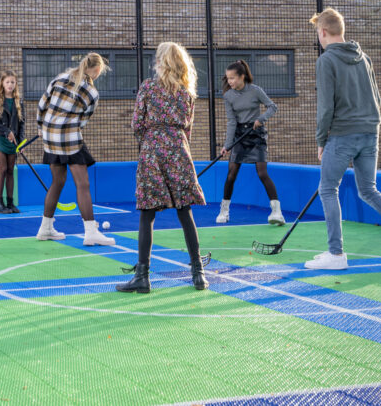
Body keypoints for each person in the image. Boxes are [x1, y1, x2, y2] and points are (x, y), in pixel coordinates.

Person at [307, 7, 381, 270]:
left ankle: (336, 254)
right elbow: (377, 98)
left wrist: (321, 140)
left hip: (342, 133)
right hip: (370, 132)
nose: (318, 37)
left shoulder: (326, 60)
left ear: (323, 32)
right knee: (369, 190)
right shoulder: (364, 58)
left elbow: (326, 106)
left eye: (318, 32)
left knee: (327, 189)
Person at [117, 42, 208, 293]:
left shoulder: (148, 87)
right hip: (179, 149)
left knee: (147, 213)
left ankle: (143, 276)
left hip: (153, 149)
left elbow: (137, 124)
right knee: (184, 210)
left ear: (161, 62)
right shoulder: (187, 93)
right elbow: (187, 127)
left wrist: (151, 137)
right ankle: (198, 273)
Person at [35, 52, 114, 246]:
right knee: (83, 184)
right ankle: (90, 231)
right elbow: (82, 122)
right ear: (96, 71)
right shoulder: (92, 93)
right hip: (69, 138)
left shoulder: (59, 78)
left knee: (58, 181)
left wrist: (42, 128)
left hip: (49, 136)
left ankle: (45, 229)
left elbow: (42, 105)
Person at [216, 60, 284, 226]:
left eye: (233, 78)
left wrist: (261, 119)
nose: (230, 81)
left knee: (262, 173)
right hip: (240, 135)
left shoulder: (255, 91)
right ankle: (224, 211)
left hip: (256, 135)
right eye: (228, 78)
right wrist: (227, 145)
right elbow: (231, 122)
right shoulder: (228, 96)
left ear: (242, 77)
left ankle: (277, 212)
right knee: (231, 174)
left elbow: (272, 107)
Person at [0, 70, 25, 214]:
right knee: (3, 169)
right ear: (2, 83)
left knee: (11, 170)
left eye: (13, 82)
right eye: (7, 82)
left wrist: (21, 143)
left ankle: (10, 203)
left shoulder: (18, 101)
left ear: (16, 84)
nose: (10, 85)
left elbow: (22, 123)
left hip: (13, 140)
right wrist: (6, 131)